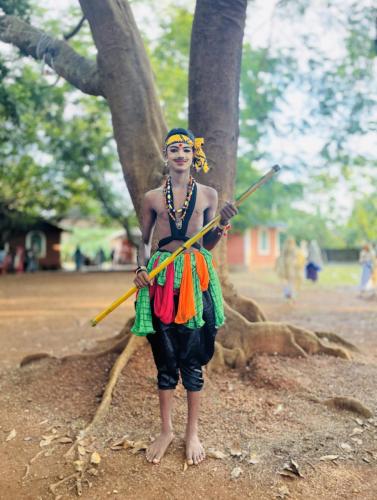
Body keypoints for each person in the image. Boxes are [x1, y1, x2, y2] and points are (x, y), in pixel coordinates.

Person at [131, 128, 237, 466]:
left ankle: (192, 433)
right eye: (174, 148)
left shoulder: (208, 194)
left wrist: (220, 227)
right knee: (165, 358)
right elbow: (143, 240)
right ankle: (166, 430)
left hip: (195, 278)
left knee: (192, 359)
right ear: (166, 155)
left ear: (194, 156)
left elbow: (206, 244)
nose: (180, 154)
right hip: (162, 278)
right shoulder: (151, 198)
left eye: (186, 149)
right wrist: (140, 269)